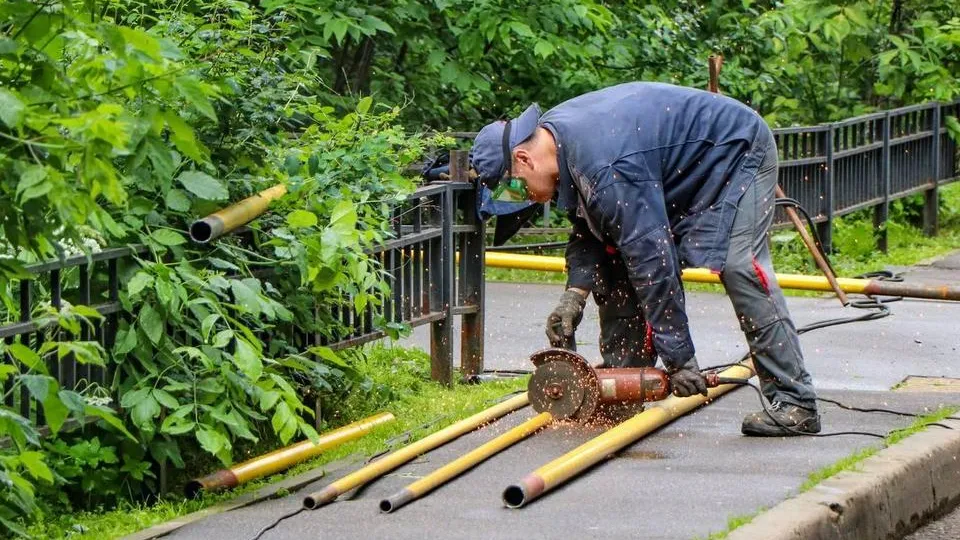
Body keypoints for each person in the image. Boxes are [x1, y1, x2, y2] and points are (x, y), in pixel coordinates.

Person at [470, 82, 820, 436]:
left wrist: (680, 360)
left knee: (739, 266)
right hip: (679, 171)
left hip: (735, 152)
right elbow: (593, 229)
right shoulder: (562, 144)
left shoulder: (605, 166)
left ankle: (796, 401)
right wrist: (574, 296)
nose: (527, 199)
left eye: (518, 189)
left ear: (523, 159)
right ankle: (622, 390)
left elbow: (653, 261)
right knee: (616, 259)